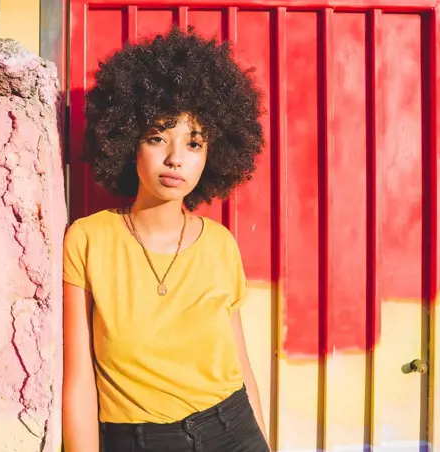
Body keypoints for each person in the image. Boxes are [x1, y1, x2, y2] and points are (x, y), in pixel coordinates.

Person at [62, 25, 268, 452]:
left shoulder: (220, 245)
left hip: (233, 431)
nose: (176, 159)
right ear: (127, 140)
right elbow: (79, 380)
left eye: (194, 143)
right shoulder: (88, 240)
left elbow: (241, 366)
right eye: (158, 138)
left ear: (213, 154)